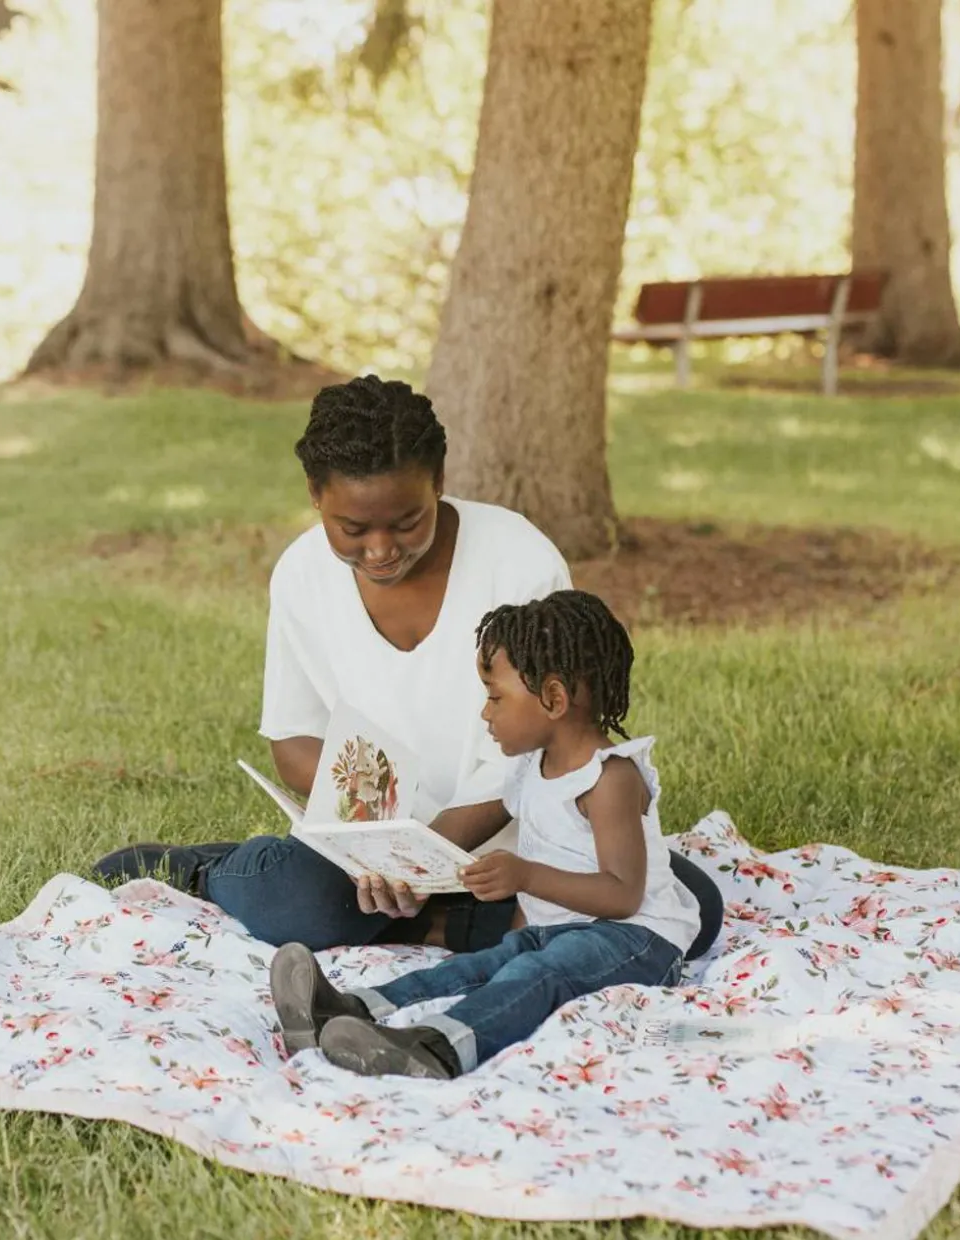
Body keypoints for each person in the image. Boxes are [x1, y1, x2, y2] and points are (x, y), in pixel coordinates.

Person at [93, 375, 724, 955]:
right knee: (300, 903)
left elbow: (538, 751)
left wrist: (426, 862)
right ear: (316, 496)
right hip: (367, 848)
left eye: (407, 521)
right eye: (353, 528)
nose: (381, 549)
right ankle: (209, 869)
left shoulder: (519, 561)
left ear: (440, 480)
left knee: (695, 907)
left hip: (515, 844)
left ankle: (424, 921)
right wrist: (382, 849)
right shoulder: (302, 574)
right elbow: (293, 739)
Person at [270, 591, 698, 1079]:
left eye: (495, 697)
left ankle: (436, 1049)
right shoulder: (526, 771)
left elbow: (623, 894)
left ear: (554, 699)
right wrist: (512, 936)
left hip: (638, 941)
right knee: (478, 967)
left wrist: (525, 877)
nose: (485, 714)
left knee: (537, 974)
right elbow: (494, 850)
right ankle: (348, 1010)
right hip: (556, 934)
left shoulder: (609, 779)